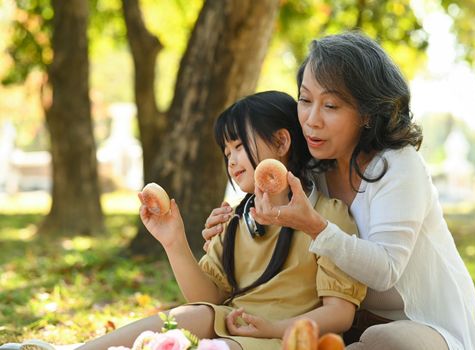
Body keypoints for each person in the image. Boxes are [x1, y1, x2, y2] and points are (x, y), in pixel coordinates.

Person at [202, 32, 475, 350]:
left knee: (384, 340)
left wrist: (314, 225)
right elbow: (265, 212)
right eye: (305, 100)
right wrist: (232, 225)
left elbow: (385, 271)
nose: (311, 120)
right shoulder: (313, 169)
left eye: (330, 105)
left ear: (367, 114)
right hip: (343, 320)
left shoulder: (399, 166)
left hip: (421, 323)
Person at [75, 91, 366, 350]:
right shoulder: (236, 220)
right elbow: (207, 297)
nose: (231, 159)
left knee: (217, 344)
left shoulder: (328, 217)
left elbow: (340, 314)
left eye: (239, 146)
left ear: (281, 141)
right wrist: (174, 241)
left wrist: (272, 328)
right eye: (226, 151)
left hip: (285, 337)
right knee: (192, 316)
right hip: (234, 324)